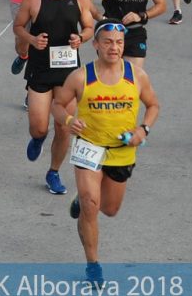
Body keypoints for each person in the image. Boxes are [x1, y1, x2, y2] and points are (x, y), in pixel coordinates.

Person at [52, 18, 160, 288]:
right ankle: (93, 265)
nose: (115, 47)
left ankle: (83, 198)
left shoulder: (136, 75)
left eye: (119, 43)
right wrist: (67, 121)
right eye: (109, 42)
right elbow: (58, 104)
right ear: (96, 45)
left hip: (121, 151)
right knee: (91, 205)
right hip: (89, 148)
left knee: (109, 210)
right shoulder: (81, 76)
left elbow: (153, 105)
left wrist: (143, 130)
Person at [13, 0, 94, 194]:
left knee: (64, 126)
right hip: (40, 68)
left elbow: (90, 27)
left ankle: (54, 172)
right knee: (39, 126)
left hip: (68, 72)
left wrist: (81, 38)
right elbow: (17, 26)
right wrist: (31, 39)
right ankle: (38, 138)